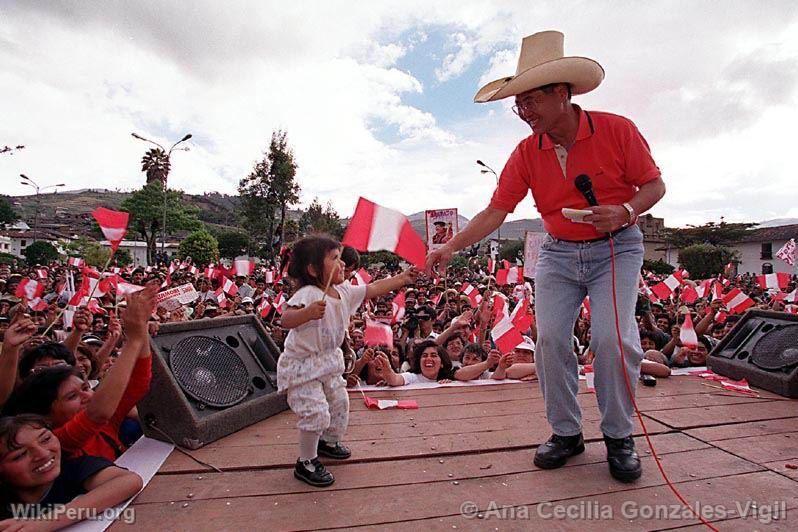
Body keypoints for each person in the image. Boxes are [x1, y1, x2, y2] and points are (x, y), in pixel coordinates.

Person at [427, 31, 666, 483]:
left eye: (530, 100)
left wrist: (626, 210)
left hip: (616, 247)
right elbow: (496, 212)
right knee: (551, 340)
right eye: (518, 104)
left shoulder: (618, 129)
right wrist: (448, 247)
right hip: (557, 254)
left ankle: (618, 436)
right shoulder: (524, 152)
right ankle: (566, 432)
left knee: (613, 340)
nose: (522, 111)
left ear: (562, 93)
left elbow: (655, 186)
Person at [277, 235, 417, 488]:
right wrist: (306, 313)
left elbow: (373, 288)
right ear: (312, 269)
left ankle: (327, 442)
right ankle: (306, 461)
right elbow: (285, 319)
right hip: (303, 365)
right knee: (315, 411)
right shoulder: (308, 294)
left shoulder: (343, 291)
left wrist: (403, 278)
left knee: (339, 403)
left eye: (341, 258)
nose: (342, 264)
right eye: (334, 259)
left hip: (330, 362)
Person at [0, 414, 142, 525]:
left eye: (45, 439)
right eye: (20, 455)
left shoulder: (75, 471)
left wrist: (43, 523)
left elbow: (128, 481)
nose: (43, 454)